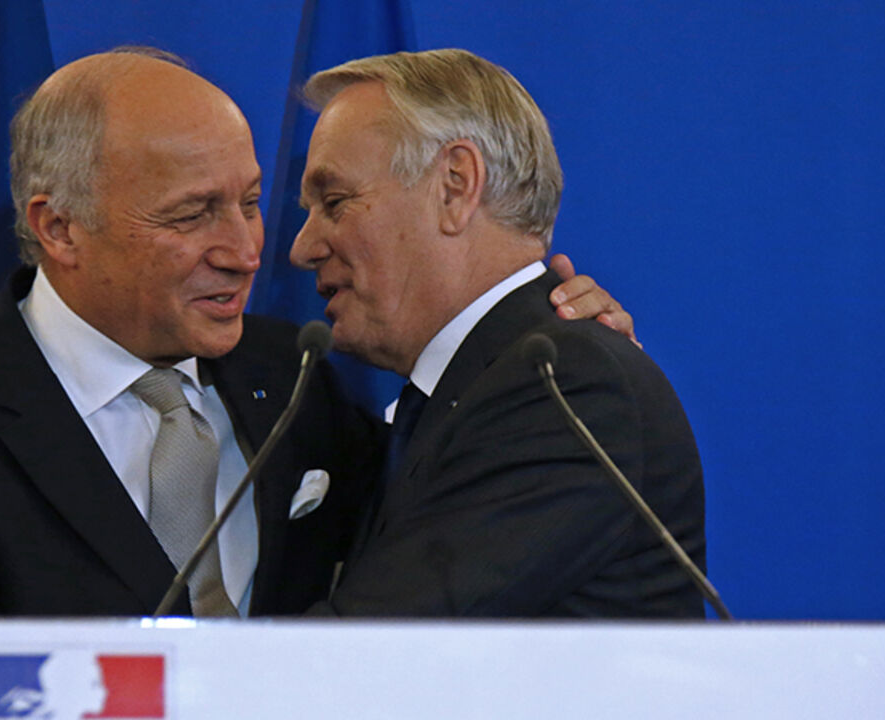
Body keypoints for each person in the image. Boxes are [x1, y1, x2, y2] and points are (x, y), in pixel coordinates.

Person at [0, 47, 633, 720]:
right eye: (192, 213)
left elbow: (367, 650)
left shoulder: (303, 382)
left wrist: (18, 695)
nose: (249, 249)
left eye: (249, 202)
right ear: (58, 227)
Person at [290, 49, 706, 617]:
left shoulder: (563, 388)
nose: (302, 247)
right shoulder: (456, 398)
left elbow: (378, 647)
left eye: (335, 202)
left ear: (455, 187)